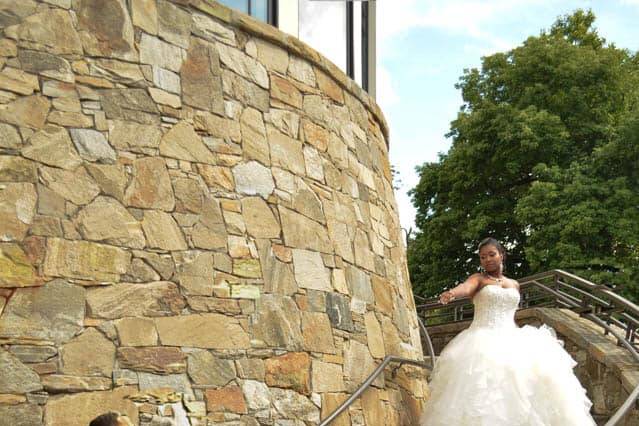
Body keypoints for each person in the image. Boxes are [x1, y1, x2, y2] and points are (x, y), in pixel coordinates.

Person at [420, 237, 596, 426]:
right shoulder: (478, 280)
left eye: (491, 254)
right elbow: (466, 287)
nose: (487, 260)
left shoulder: (514, 284)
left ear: (501, 255)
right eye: (482, 257)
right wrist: (452, 293)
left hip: (512, 338)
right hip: (481, 339)